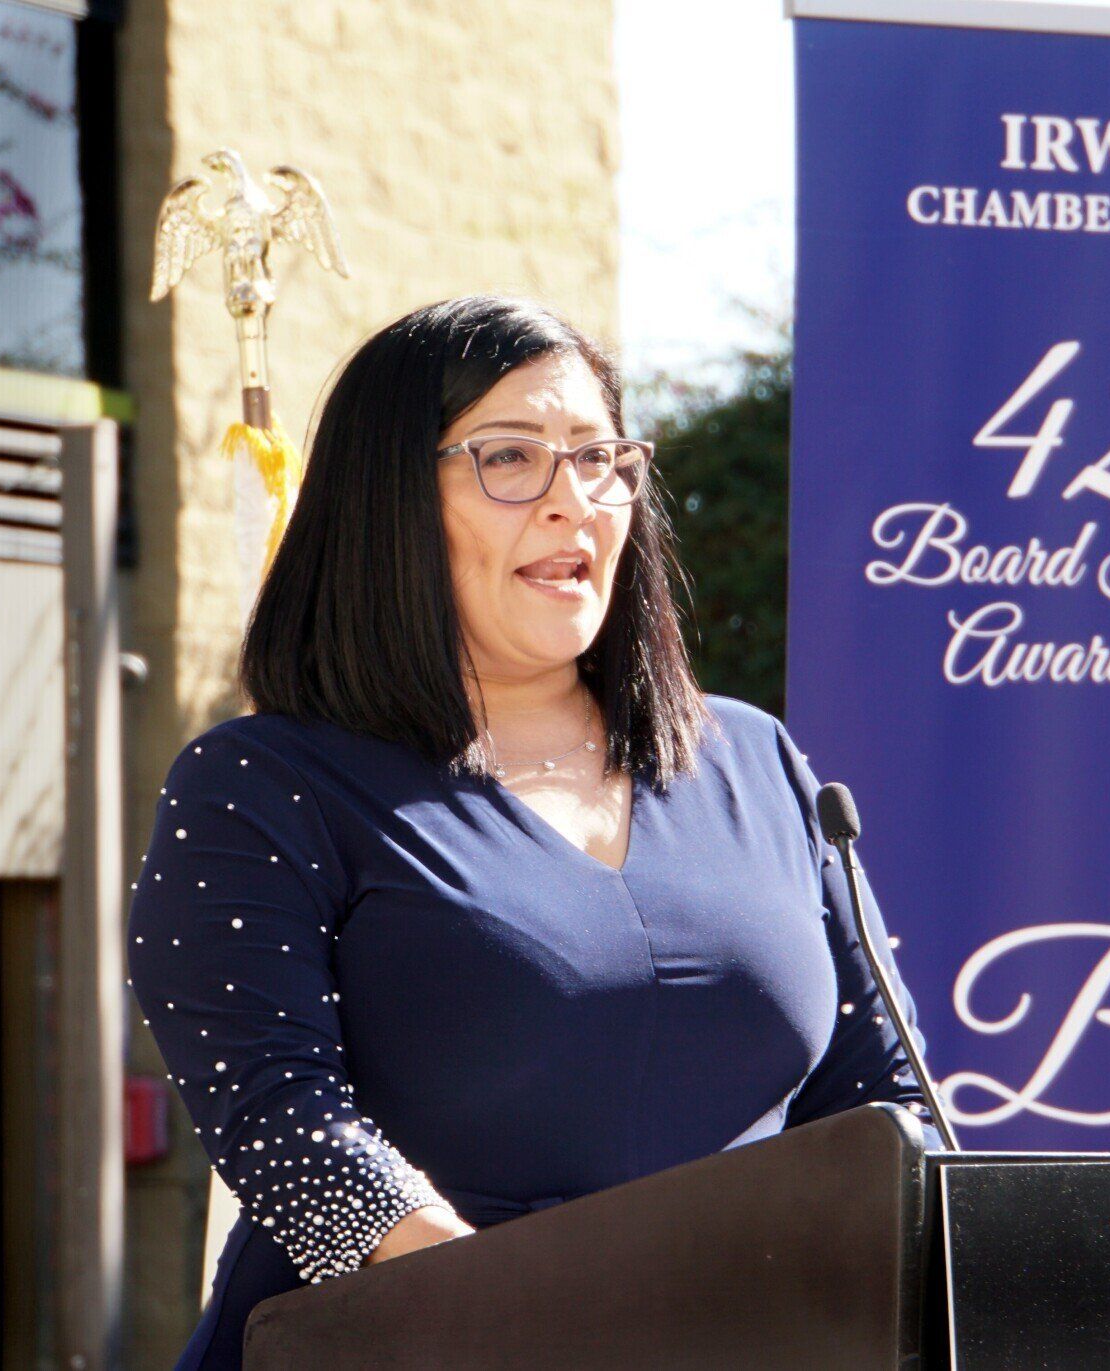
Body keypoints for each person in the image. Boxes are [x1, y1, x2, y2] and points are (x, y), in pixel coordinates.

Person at [125, 294, 940, 1371]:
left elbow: (882, 1109)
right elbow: (286, 1130)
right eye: (510, 458)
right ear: (388, 503)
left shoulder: (760, 764)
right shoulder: (260, 785)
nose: (575, 503)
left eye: (598, 458)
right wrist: (522, 1321)